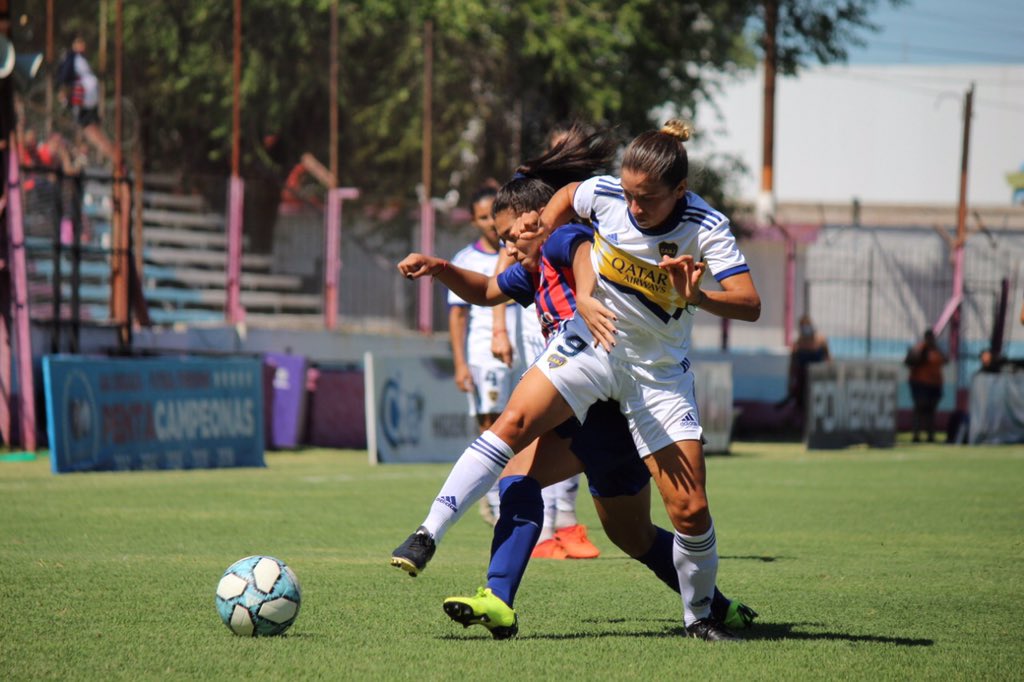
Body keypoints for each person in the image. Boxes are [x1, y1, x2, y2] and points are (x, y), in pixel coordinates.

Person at [396, 124, 757, 640]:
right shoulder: (547, 251)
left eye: (514, 235)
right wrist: (441, 267)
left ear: (678, 191)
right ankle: (476, 579)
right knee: (514, 459)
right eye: (504, 238)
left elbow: (581, 249)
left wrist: (682, 296)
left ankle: (709, 608)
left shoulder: (570, 240)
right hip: (587, 364)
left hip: (639, 388)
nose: (510, 246)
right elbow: (490, 284)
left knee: (649, 527)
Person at [61, 36, 115, 164]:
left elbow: (65, 79)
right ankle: (104, 154)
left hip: (84, 98)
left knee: (89, 130)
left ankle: (109, 155)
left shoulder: (76, 59)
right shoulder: (76, 59)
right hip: (87, 97)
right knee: (89, 129)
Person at [777, 314, 830, 419]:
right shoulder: (797, 344)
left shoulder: (821, 341)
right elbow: (792, 365)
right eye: (803, 326)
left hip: (818, 379)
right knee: (802, 404)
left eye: (807, 325)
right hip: (803, 382)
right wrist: (790, 383)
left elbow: (828, 359)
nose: (806, 329)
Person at [905, 330, 947, 442]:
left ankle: (930, 435)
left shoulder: (936, 350)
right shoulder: (920, 348)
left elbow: (946, 360)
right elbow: (910, 361)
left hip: (935, 384)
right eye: (929, 338)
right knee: (920, 408)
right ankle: (916, 435)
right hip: (920, 383)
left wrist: (937, 348)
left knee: (931, 410)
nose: (931, 340)